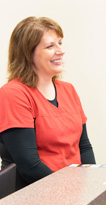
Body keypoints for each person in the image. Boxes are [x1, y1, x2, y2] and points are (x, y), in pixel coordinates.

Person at [0, 17, 95, 190]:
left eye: (60, 43)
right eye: (50, 46)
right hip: (34, 193)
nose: (61, 51)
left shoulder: (69, 90)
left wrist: (93, 186)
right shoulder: (13, 94)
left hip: (72, 191)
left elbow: (84, 147)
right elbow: (30, 166)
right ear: (28, 54)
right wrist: (71, 192)